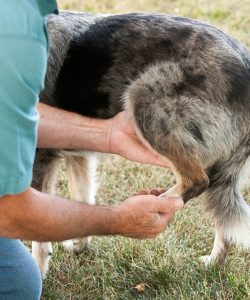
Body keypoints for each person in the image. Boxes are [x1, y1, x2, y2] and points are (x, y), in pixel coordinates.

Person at [0, 1, 184, 299]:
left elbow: (10, 111)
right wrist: (116, 219)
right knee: (18, 285)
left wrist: (107, 134)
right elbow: (10, 211)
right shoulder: (16, 24)